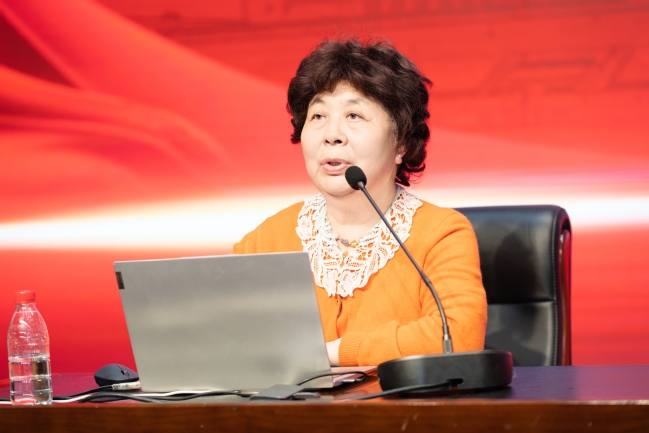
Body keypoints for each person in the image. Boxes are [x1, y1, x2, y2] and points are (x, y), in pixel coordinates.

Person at [233, 38, 486, 367]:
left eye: (354, 115)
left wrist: (330, 354)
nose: (332, 134)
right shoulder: (266, 241)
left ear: (401, 144)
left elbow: (458, 338)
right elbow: (220, 337)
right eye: (318, 115)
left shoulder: (441, 234)